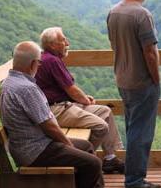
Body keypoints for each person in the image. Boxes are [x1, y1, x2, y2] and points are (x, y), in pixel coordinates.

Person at [0, 41, 118, 188]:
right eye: (39, 63)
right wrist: (67, 144)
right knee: (93, 163)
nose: (39, 66)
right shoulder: (27, 88)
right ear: (32, 64)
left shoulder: (10, 83)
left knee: (86, 146)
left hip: (25, 146)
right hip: (37, 150)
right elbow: (49, 125)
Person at [35, 27, 125, 174]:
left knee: (105, 111)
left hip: (64, 106)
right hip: (56, 110)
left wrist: (83, 99)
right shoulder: (52, 61)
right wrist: (85, 100)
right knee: (100, 126)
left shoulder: (47, 58)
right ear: (52, 45)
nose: (67, 43)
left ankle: (110, 158)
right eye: (63, 40)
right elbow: (70, 89)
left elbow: (65, 89)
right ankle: (84, 161)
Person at [107, 0, 161, 188]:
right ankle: (134, 180)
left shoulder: (113, 12)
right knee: (142, 131)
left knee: (132, 128)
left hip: (122, 79)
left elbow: (114, 45)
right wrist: (156, 79)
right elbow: (150, 51)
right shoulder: (142, 15)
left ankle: (132, 175)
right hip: (142, 81)